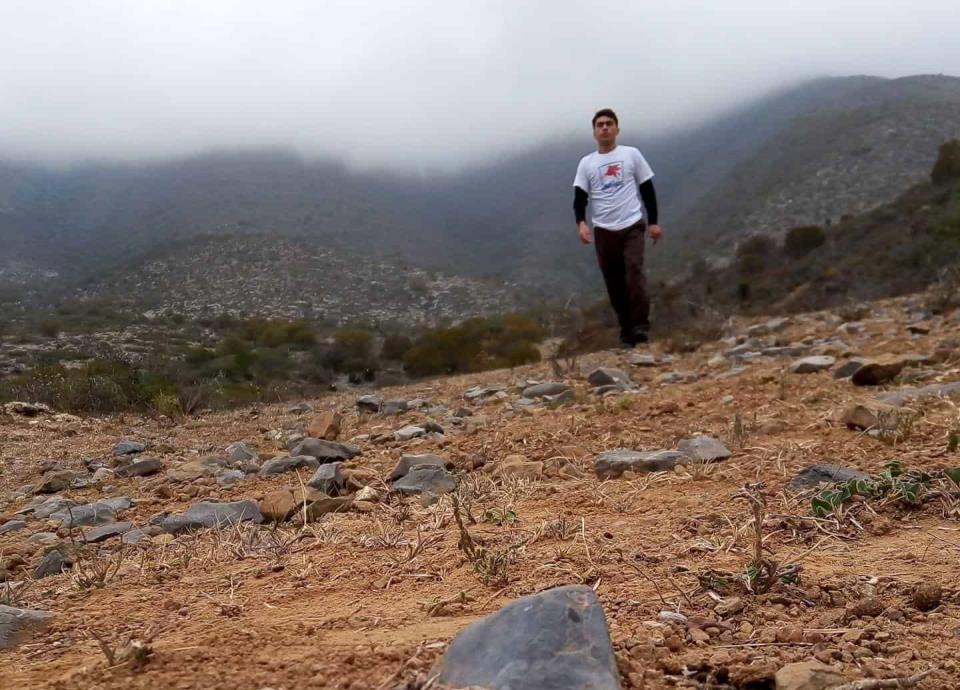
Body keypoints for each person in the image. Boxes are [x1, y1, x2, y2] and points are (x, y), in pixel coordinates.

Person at [573, 108, 661, 347]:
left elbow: (647, 190)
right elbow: (580, 197)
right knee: (614, 282)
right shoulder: (587, 163)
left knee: (634, 271)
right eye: (599, 125)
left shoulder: (631, 154)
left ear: (617, 129)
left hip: (632, 224)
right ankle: (626, 331)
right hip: (603, 229)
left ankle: (641, 326)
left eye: (609, 124)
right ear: (594, 132)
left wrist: (653, 221)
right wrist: (581, 223)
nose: (604, 128)